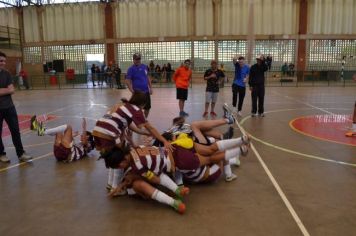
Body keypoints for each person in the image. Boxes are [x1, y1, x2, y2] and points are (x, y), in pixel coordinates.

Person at [0, 51, 32, 163]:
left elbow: (12, 90)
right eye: (0, 61)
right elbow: (8, 90)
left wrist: (5, 90)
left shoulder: (7, 74)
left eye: (4, 61)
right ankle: (1, 154)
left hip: (9, 107)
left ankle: (21, 153)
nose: (3, 63)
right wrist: (6, 90)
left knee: (15, 131)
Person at [126, 53, 152, 118]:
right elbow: (127, 81)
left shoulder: (145, 67)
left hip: (146, 91)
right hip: (137, 93)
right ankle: (137, 121)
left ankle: (144, 119)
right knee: (136, 108)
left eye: (139, 59)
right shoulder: (131, 69)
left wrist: (150, 88)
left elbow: (147, 77)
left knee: (147, 107)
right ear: (133, 60)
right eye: (136, 59)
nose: (138, 60)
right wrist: (132, 90)